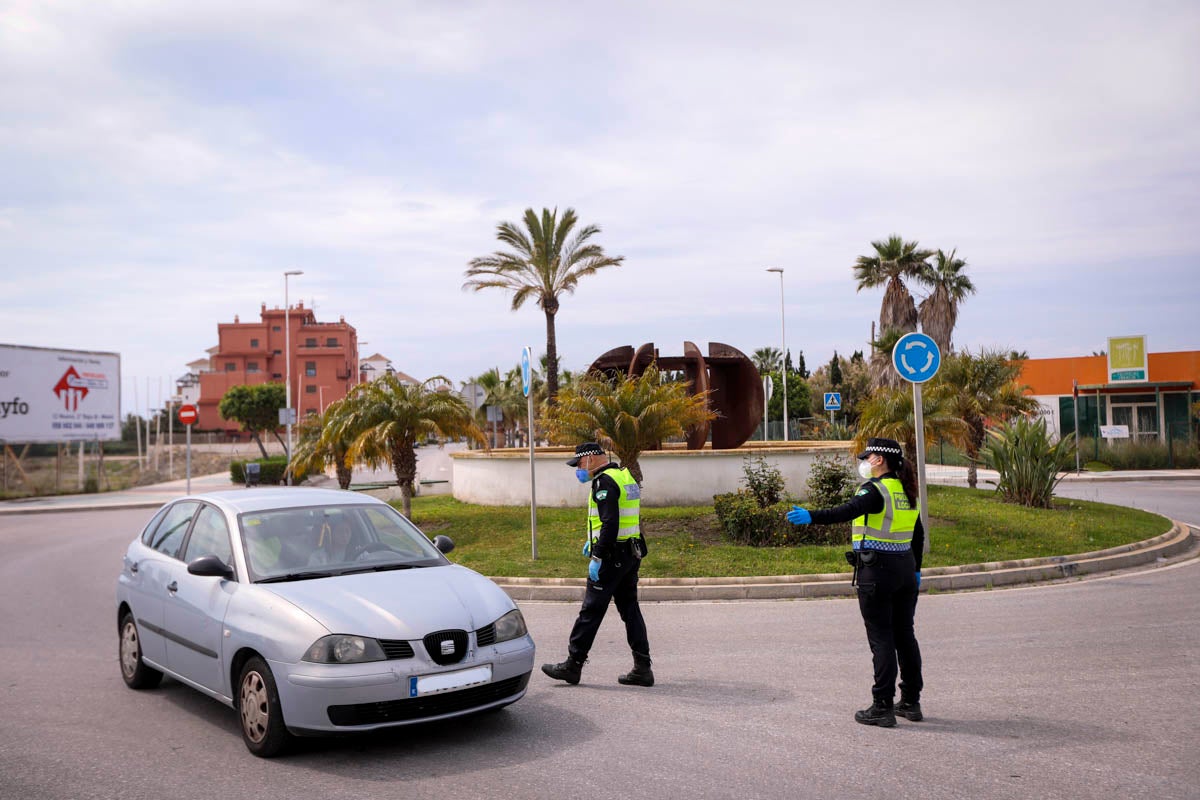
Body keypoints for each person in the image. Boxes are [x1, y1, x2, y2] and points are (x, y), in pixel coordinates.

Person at [785, 437, 925, 727]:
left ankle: (882, 706)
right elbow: (918, 534)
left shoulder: (875, 491)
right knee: (904, 635)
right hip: (905, 571)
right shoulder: (906, 491)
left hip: (878, 573)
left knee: (882, 638)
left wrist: (811, 516)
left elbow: (846, 511)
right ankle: (911, 702)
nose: (864, 461)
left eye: (868, 456)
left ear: (879, 460)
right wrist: (917, 570)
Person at [542, 442, 653, 687]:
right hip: (630, 553)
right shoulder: (624, 476)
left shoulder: (604, 482)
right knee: (630, 610)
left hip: (612, 557)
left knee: (591, 610)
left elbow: (611, 523)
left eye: (579, 464)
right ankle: (642, 667)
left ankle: (573, 665)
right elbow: (622, 518)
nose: (578, 470)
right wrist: (592, 541)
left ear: (591, 459)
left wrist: (597, 556)